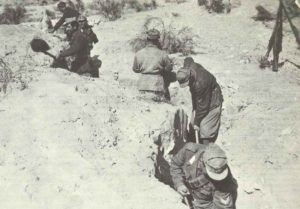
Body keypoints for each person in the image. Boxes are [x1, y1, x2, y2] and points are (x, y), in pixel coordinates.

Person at [170, 143, 238, 209]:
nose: (217, 177)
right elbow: (175, 165)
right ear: (204, 162)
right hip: (192, 189)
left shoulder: (224, 178)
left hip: (205, 197)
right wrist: (179, 184)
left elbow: (223, 206)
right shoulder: (189, 151)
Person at [176, 57, 223, 144]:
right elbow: (188, 59)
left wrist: (197, 123)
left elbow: (203, 106)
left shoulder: (201, 83)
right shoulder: (188, 68)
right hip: (201, 97)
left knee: (205, 129)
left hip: (212, 99)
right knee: (193, 124)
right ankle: (193, 144)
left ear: (190, 78)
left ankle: (206, 148)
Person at [132, 29, 175, 102]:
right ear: (158, 40)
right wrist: (161, 69)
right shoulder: (162, 54)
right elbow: (169, 69)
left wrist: (144, 69)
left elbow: (135, 69)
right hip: (157, 86)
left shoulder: (139, 53)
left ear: (147, 39)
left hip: (142, 86)